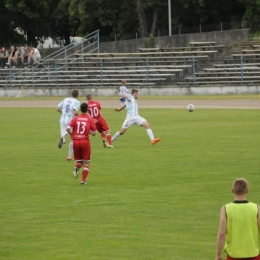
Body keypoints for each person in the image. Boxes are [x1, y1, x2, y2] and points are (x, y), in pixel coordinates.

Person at [215, 178, 260, 260]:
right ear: (247, 191)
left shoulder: (226, 209)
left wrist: (218, 254)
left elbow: (221, 234)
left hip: (234, 255)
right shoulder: (256, 208)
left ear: (232, 190)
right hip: (253, 254)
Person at [66, 103, 97, 184]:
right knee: (86, 162)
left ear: (80, 109)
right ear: (87, 109)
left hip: (76, 141)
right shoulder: (90, 119)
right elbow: (94, 133)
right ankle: (83, 180)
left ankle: (76, 167)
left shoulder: (76, 118)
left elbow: (68, 128)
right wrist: (89, 132)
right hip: (85, 142)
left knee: (79, 161)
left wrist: (73, 135)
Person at [56, 89, 80, 161]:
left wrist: (63, 113)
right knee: (72, 138)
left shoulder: (66, 99)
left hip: (63, 120)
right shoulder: (77, 102)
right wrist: (79, 117)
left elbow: (57, 108)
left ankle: (62, 140)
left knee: (64, 137)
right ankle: (69, 156)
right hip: (71, 121)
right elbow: (75, 112)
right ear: (77, 95)